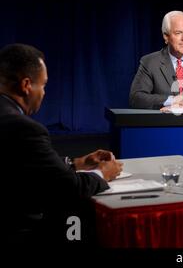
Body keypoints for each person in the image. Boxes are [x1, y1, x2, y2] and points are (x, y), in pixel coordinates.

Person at [0, 43, 123, 246]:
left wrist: (76, 163)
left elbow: (23, 163)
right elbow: (68, 189)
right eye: (44, 85)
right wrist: (103, 173)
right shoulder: (23, 127)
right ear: (26, 85)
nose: (44, 93)